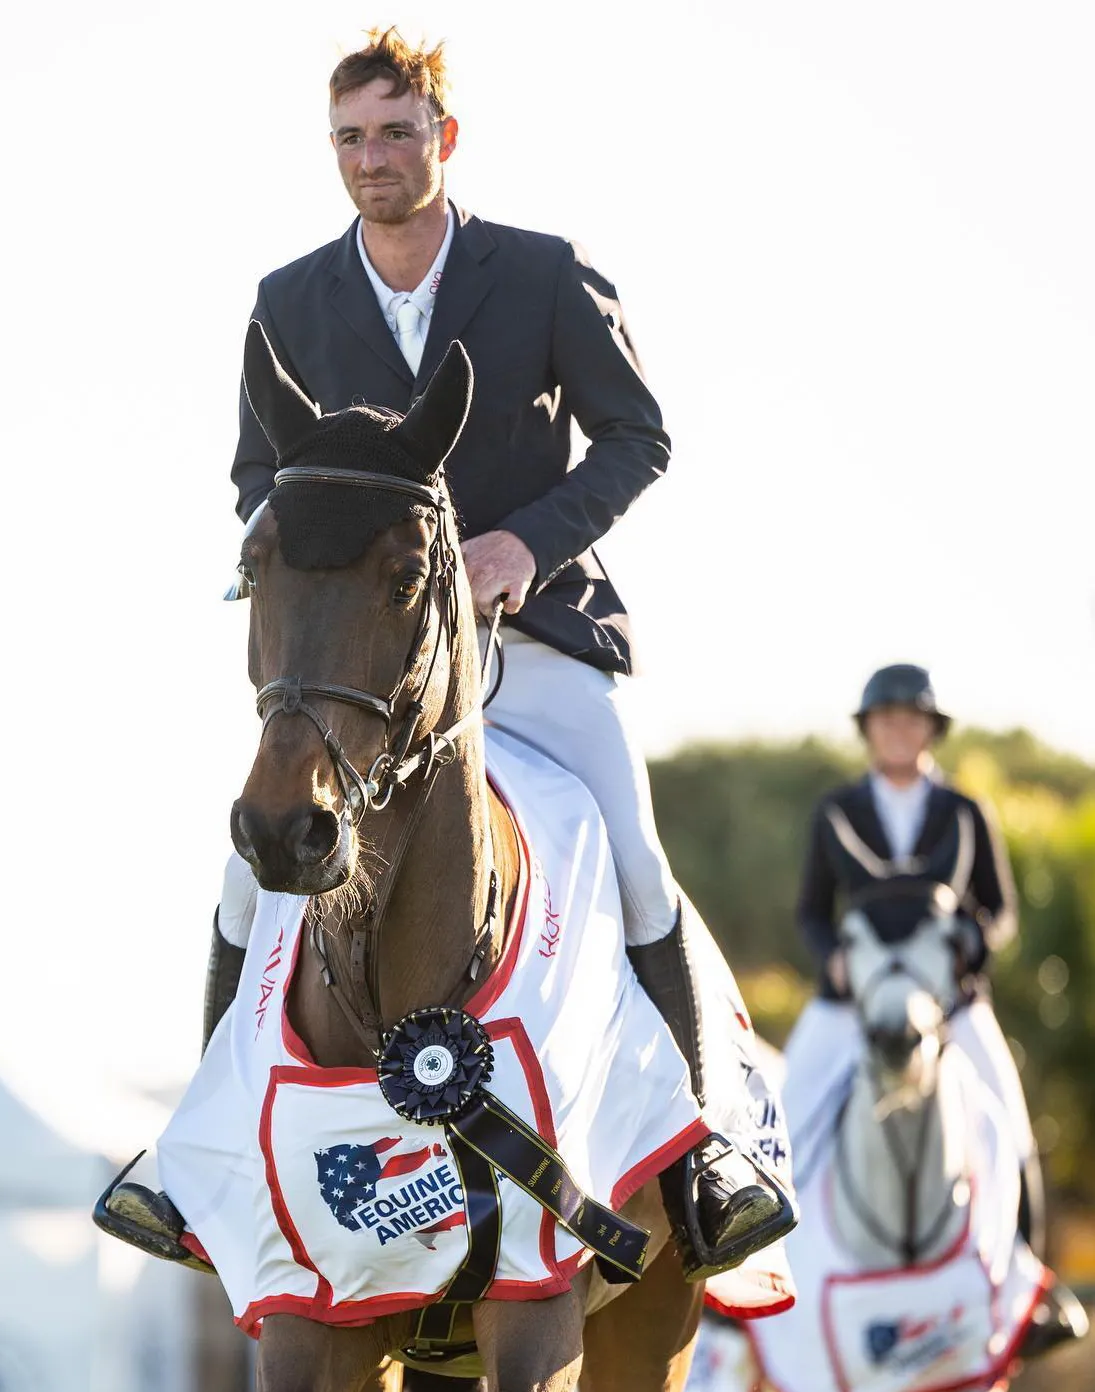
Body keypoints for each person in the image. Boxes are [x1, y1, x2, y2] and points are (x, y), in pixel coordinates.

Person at [182, 25, 793, 1281]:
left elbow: (639, 438)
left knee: (632, 852)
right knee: (250, 873)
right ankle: (199, 1167)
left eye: (396, 133)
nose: (373, 159)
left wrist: (524, 544)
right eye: (350, 138)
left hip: (538, 632)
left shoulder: (544, 274)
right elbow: (259, 476)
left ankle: (701, 1162)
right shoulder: (287, 303)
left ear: (444, 139)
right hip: (367, 662)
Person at [785, 662, 1086, 1353]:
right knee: (780, 1118)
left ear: (929, 729)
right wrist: (830, 954)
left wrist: (971, 945)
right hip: (848, 1003)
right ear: (869, 730)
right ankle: (748, 1280)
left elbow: (1000, 910)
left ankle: (1027, 1288)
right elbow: (809, 911)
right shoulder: (836, 808)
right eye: (885, 717)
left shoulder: (965, 811)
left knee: (1010, 1127)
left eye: (910, 717)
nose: (898, 727)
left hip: (946, 1005)